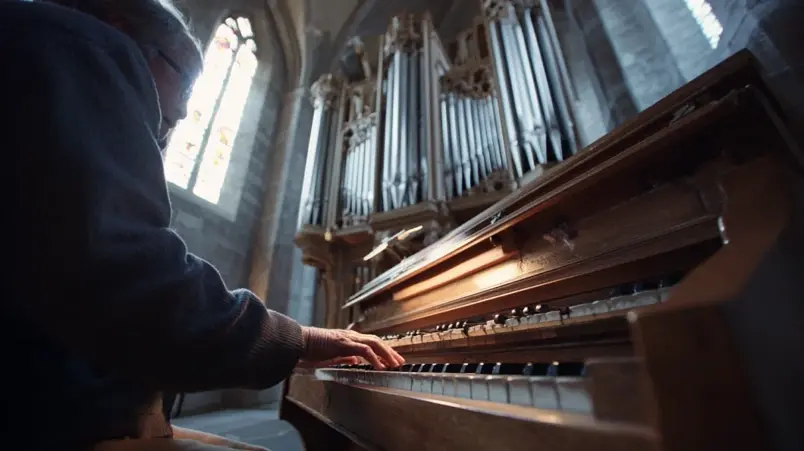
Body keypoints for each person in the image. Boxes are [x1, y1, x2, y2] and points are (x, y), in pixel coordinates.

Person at [3, 1, 404, 450]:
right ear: (118, 31)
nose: (172, 124)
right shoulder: (71, 43)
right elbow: (128, 280)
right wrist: (297, 340)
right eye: (188, 85)